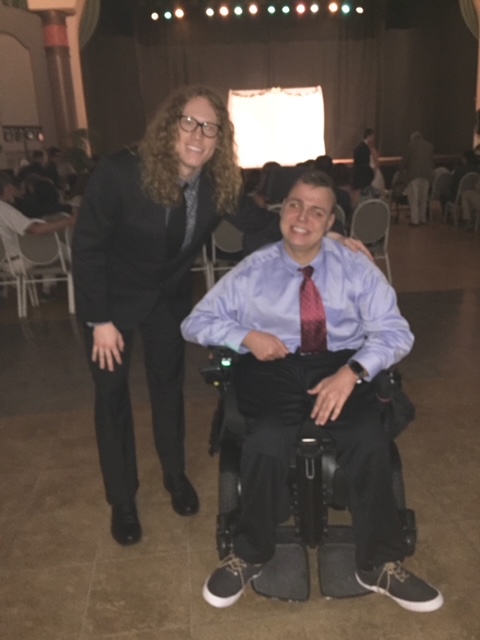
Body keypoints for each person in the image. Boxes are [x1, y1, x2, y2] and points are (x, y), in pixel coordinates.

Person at [181, 170, 443, 613]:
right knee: (265, 438)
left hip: (341, 363)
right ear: (282, 211)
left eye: (316, 211)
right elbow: (195, 322)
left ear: (329, 223)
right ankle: (251, 553)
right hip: (272, 364)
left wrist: (353, 371)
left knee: (367, 437)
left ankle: (378, 563)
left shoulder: (355, 265)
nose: (303, 217)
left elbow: (396, 331)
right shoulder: (253, 270)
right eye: (295, 206)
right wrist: (246, 336)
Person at [71, 84, 280, 548]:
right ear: (170, 126)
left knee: (168, 391)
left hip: (166, 302)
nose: (198, 135)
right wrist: (100, 320)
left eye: (210, 128)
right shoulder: (120, 172)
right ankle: (123, 501)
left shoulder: (215, 184)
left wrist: (326, 236)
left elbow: (262, 225)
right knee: (112, 398)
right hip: (110, 304)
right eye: (189, 122)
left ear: (219, 139)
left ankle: (175, 474)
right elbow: (87, 248)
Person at [0, 172, 76, 276]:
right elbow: (36, 230)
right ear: (8, 187)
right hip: (16, 262)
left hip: (3, 261)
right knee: (62, 249)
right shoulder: (4, 209)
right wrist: (68, 221)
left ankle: (47, 285)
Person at [399, 132, 434, 226]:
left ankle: (415, 220)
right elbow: (432, 161)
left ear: (413, 138)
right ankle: (423, 219)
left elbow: (404, 160)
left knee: (414, 198)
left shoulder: (410, 145)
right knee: (423, 198)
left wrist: (400, 171)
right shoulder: (429, 146)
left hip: (414, 175)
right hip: (427, 175)